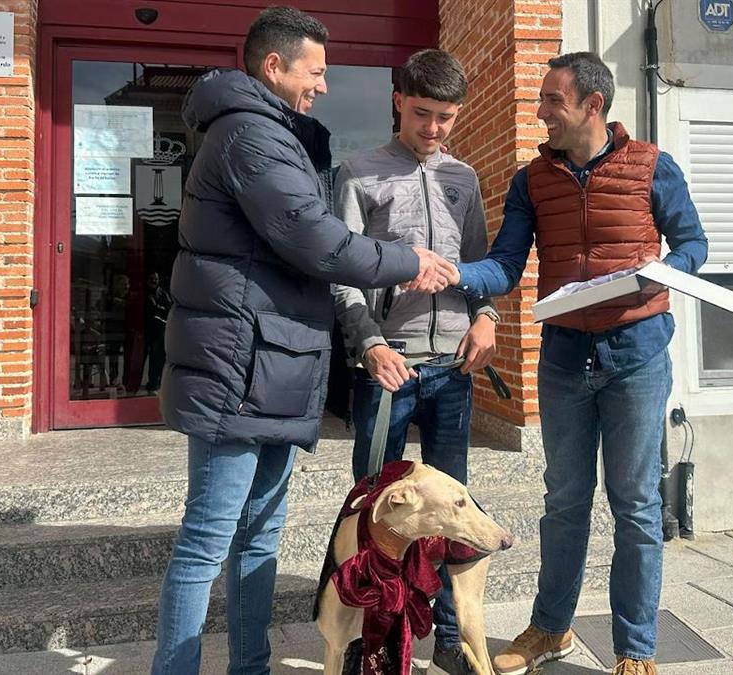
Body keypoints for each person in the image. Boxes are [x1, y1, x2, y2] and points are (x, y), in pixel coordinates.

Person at [151, 7, 458, 675]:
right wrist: (410, 260)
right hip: (237, 367)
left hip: (272, 364)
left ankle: (251, 665)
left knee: (259, 537)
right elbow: (318, 242)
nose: (322, 85)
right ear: (273, 66)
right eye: (315, 72)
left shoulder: (279, 137)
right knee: (208, 543)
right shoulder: (249, 137)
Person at [431, 52, 708, 675]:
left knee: (634, 502)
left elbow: (694, 243)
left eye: (552, 101)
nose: (541, 113)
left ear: (593, 105)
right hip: (562, 359)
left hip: (636, 355)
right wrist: (452, 273)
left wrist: (659, 275)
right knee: (564, 500)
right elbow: (505, 264)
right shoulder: (533, 179)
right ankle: (551, 628)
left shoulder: (652, 166)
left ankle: (636, 649)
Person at [331, 48, 499, 675]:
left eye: (447, 117)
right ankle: (367, 640)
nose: (433, 128)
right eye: (423, 113)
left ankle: (452, 636)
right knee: (373, 511)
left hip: (452, 370)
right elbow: (341, 276)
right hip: (388, 368)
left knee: (458, 511)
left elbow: (484, 268)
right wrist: (369, 343)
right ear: (399, 99)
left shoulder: (464, 179)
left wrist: (487, 318)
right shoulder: (358, 173)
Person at [143, 271, 171, 393]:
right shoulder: (143, 293)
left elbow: (169, 309)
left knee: (156, 359)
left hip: (158, 330)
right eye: (151, 278)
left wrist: (157, 306)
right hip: (144, 330)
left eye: (156, 279)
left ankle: (154, 383)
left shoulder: (163, 293)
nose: (154, 281)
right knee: (140, 359)